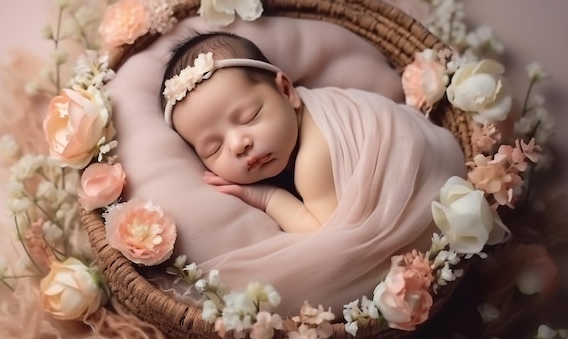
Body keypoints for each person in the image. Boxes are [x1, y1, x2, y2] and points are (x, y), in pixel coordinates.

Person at [160, 30, 463, 233]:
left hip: (432, 205)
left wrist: (267, 198)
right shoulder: (305, 111)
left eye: (249, 117)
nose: (239, 144)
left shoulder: (313, 161)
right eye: (213, 148)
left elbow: (329, 240)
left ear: (287, 90)